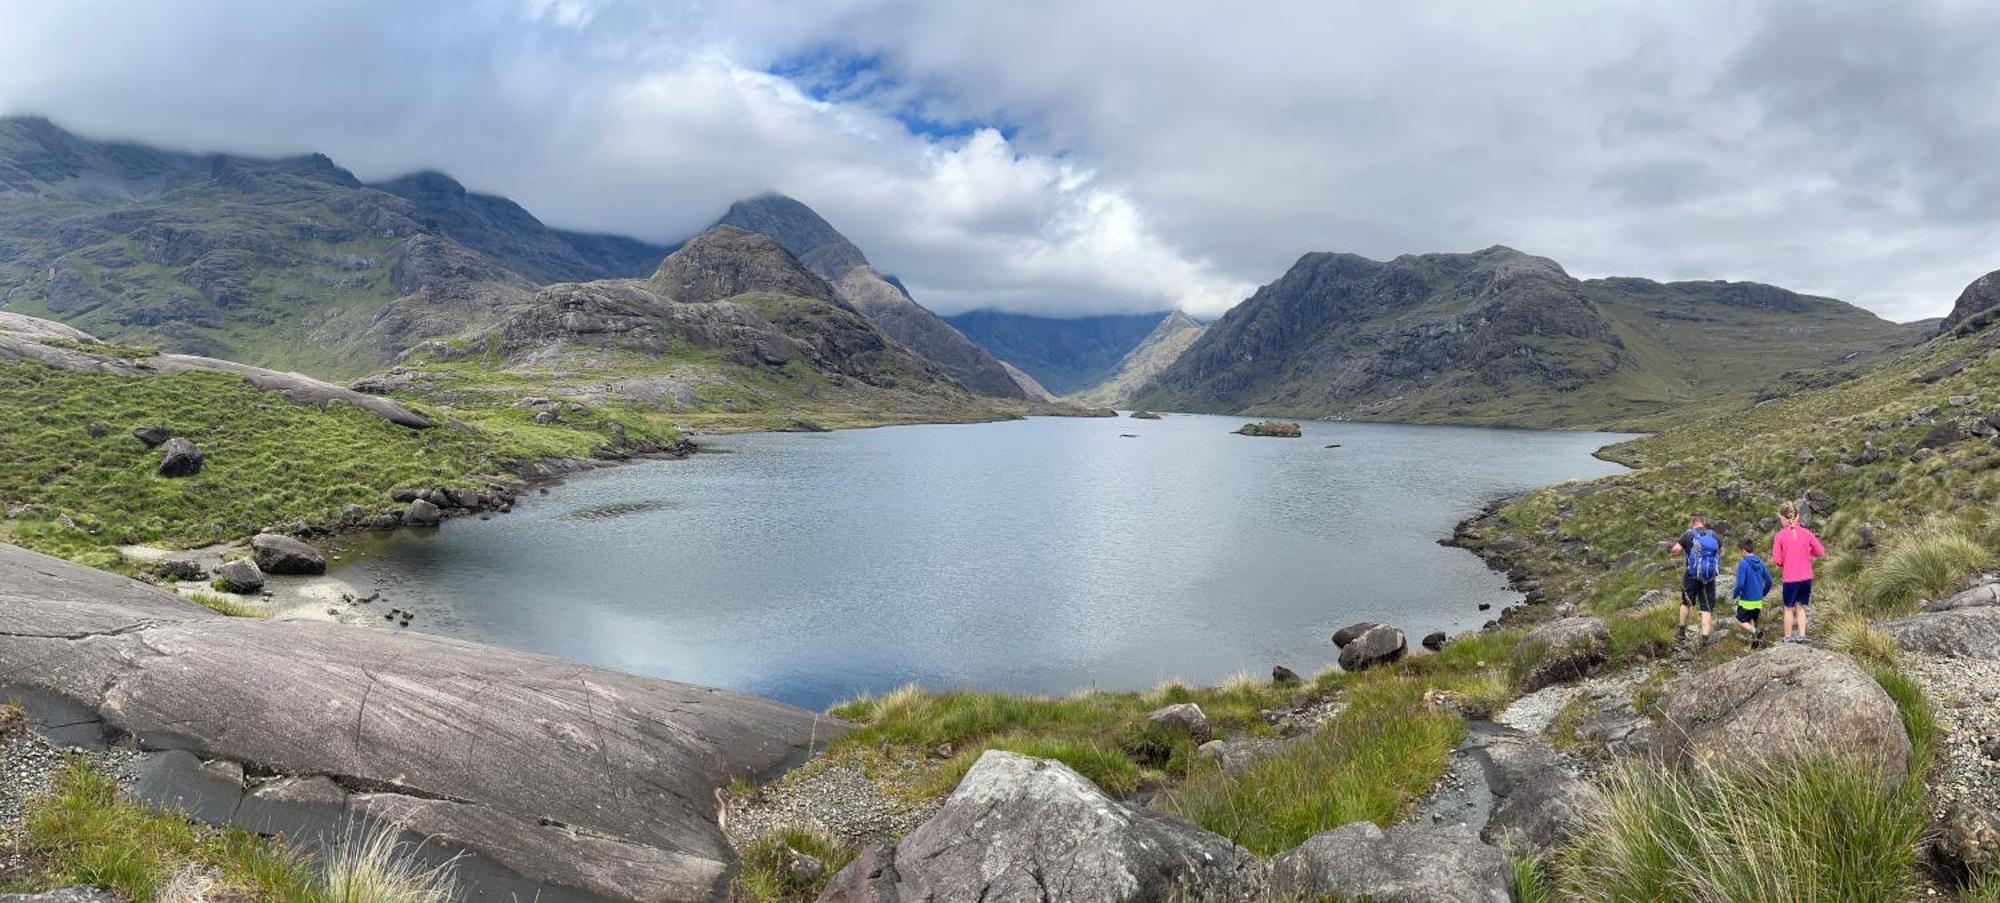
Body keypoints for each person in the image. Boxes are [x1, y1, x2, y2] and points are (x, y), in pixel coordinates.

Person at [1770, 500, 1827, 643]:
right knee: (1800, 607)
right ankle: (1802, 636)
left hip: (1790, 578)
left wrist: (1786, 561)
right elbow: (1820, 551)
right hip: (1806, 577)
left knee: (1788, 608)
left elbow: (1777, 560)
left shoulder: (1780, 536)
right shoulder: (1807, 533)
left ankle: (1788, 638)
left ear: (1783, 519)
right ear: (1797, 517)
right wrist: (1808, 553)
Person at [1671, 514, 1723, 646]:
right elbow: (1720, 551)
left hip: (1692, 575)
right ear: (1703, 522)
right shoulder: (1714, 535)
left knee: (1686, 602)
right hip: (1709, 576)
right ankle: (1705, 639)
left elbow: (1676, 550)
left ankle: (1682, 633)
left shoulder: (1688, 535)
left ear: (1692, 523)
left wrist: (1679, 552)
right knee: (1707, 607)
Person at [1731, 536, 1773, 648]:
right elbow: (1769, 580)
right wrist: (1762, 593)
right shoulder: (1760, 563)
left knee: (1740, 620)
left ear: (1744, 550)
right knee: (1751, 620)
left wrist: (1735, 595)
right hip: (1758, 601)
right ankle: (1755, 643)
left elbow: (1740, 584)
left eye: (1740, 551)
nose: (1740, 554)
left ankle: (1756, 633)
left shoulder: (1743, 564)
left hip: (1746, 600)